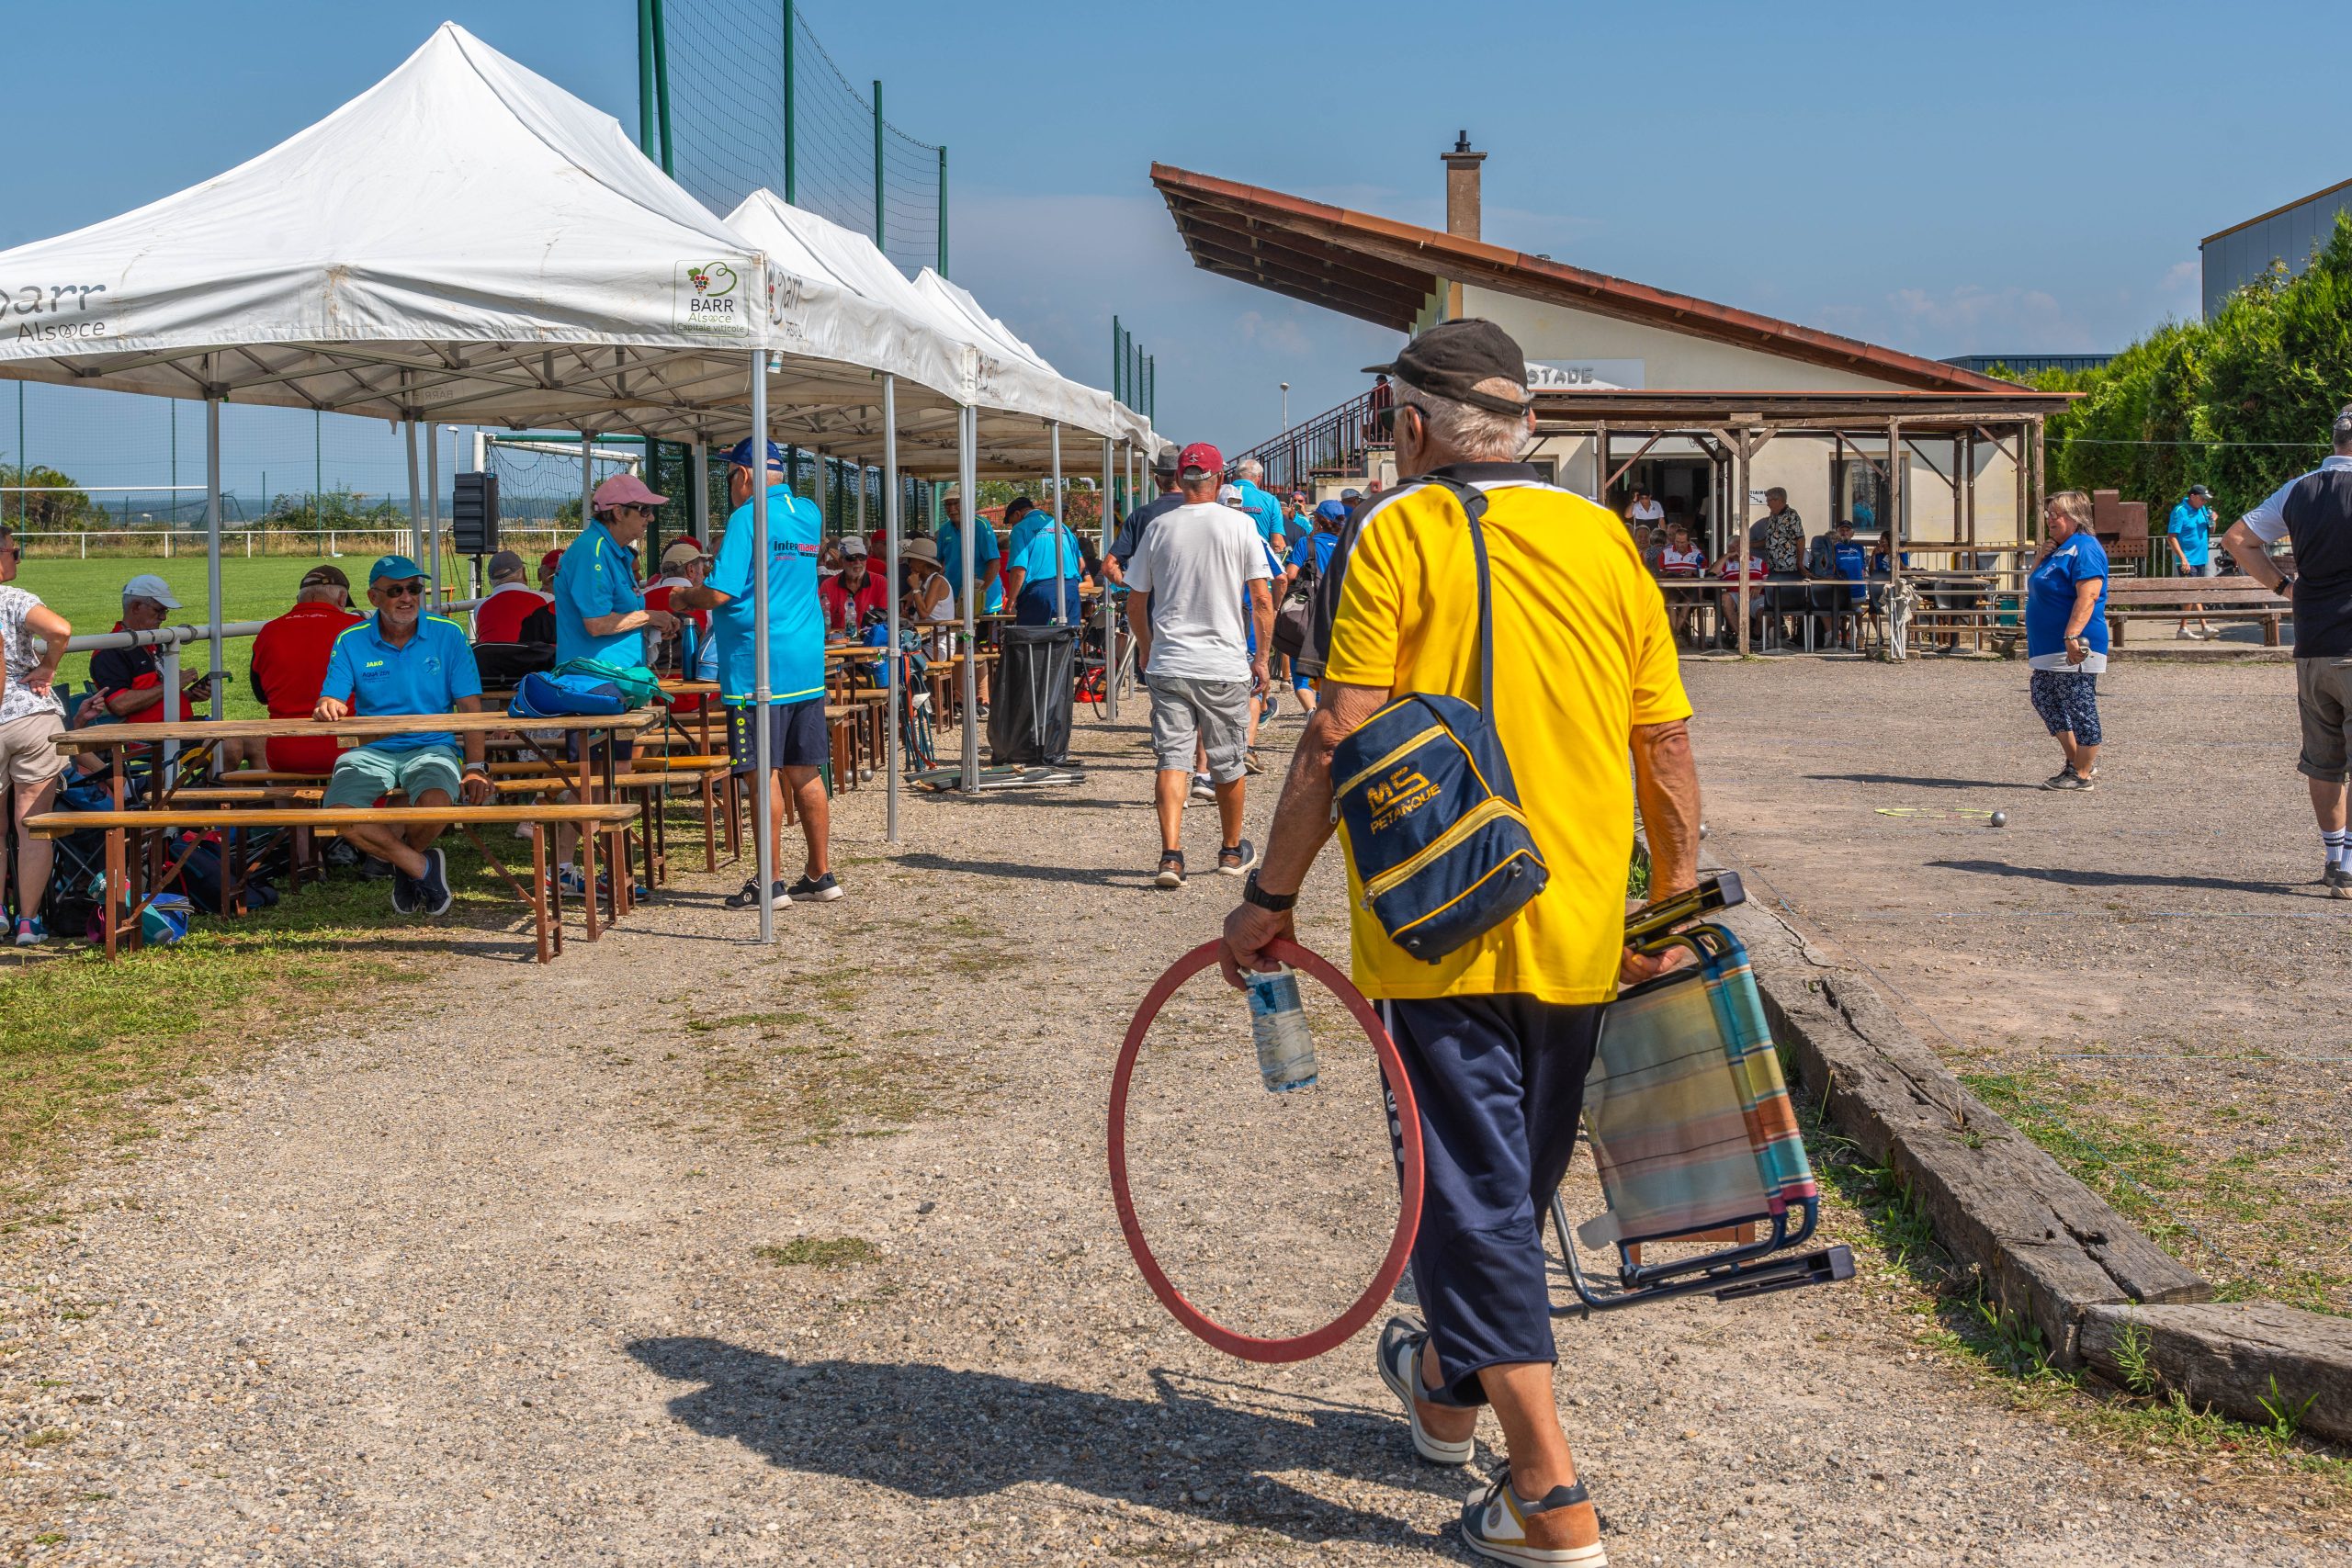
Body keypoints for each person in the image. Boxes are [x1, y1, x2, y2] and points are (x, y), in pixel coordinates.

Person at [1217, 319, 1699, 1568]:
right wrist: (1672, 899)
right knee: (1505, 1187)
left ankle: (1550, 1495)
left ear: (1414, 424)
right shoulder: (1606, 534)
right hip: (1583, 914)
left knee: (1473, 1197)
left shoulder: (1401, 528)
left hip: (1439, 925)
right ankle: (1442, 1388)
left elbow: (1336, 735)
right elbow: (1664, 741)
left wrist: (1271, 896)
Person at [668, 438, 837, 909]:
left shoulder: (746, 518)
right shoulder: (807, 512)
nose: (731, 487)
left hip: (755, 665)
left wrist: (685, 599)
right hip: (804, 661)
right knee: (806, 770)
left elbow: (720, 593)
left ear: (743, 475)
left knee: (762, 774)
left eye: (729, 477)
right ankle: (820, 874)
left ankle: (771, 881)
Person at [1125, 442, 1272, 887]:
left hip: (1171, 659)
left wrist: (1147, 647)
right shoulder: (1241, 526)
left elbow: (1136, 601)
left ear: (1179, 479)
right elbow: (1262, 599)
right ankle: (1230, 850)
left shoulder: (1158, 528)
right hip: (1222, 662)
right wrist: (1262, 658)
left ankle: (1171, 856)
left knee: (1172, 758)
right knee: (1228, 761)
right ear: (1219, 479)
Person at [314, 555, 493, 916]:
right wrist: (327, 704)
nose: (407, 597)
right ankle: (419, 867)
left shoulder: (448, 633)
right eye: (396, 590)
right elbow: (331, 695)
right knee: (339, 813)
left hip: (432, 746)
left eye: (414, 589)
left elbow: (470, 707)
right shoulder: (350, 640)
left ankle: (403, 865)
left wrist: (475, 765)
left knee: (437, 804)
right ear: (373, 597)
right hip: (371, 750)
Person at [2224, 406, 2352, 895]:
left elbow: (2239, 540)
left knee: (2324, 759)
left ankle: (2335, 857)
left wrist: (2284, 587)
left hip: (2314, 642)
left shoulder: (2300, 488)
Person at [0, 524, 71, 945]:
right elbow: (59, 630)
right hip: (31, 716)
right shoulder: (15, 600)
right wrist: (48, 667)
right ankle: (28, 922)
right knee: (31, 828)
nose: (17, 558)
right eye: (14, 550)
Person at [2025, 490, 2110, 792]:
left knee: (2079, 704)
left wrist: (2072, 634)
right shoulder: (2059, 549)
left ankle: (2082, 773)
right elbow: (2035, 586)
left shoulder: (2085, 547)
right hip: (2047, 647)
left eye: (2057, 513)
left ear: (2076, 518)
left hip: (2074, 643)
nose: (2050, 518)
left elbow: (2088, 596)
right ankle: (2077, 762)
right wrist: (2040, 558)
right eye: (2048, 513)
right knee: (2043, 695)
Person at [552, 474, 678, 670]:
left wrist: (650, 626)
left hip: (613, 681)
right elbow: (597, 624)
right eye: (644, 510)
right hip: (596, 684)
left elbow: (618, 617)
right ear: (618, 512)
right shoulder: (593, 551)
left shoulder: (611, 551)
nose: (651, 518)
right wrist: (650, 617)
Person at [249, 565, 365, 774]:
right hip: (346, 747)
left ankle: (285, 807)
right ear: (342, 598)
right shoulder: (357, 628)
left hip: (285, 751)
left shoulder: (269, 631)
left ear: (298, 599)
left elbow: (261, 695)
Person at [1282, 500, 1348, 716]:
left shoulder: (1306, 544)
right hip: (1340, 615)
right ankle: (1325, 713)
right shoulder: (1348, 546)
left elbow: (1290, 575)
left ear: (1318, 522)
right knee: (1329, 670)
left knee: (1301, 675)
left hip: (1310, 614)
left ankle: (1312, 712)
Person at [934, 493, 1000, 712]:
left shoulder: (981, 525)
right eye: (948, 504)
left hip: (981, 601)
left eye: (955, 503)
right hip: (954, 599)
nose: (951, 508)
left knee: (970, 643)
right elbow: (940, 563)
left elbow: (994, 562)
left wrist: (981, 592)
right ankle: (962, 696)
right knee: (960, 644)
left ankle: (981, 697)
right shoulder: (945, 530)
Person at [644, 537, 716, 709]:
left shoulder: (642, 598)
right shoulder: (707, 604)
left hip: (651, 695)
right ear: (691, 570)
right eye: (701, 569)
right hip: (694, 696)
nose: (704, 574)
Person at [1107, 450, 1184, 589]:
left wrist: (1132, 584)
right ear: (1184, 479)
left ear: (1157, 482)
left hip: (1150, 605)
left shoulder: (1140, 515)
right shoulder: (1202, 512)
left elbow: (1108, 566)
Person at [1002, 508, 1086, 626]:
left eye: (1012, 522)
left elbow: (1019, 570)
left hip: (1040, 592)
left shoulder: (1020, 529)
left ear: (1018, 513)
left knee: (1034, 640)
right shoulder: (1063, 528)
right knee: (1069, 638)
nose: (1012, 526)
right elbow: (1081, 564)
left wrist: (1011, 601)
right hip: (1070, 589)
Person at [2168, 482, 2220, 639]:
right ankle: (2193, 627)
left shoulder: (2203, 510)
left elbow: (2211, 529)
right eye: (2202, 499)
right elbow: (2171, 537)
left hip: (2201, 558)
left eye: (2206, 500)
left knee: (2195, 593)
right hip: (2187, 560)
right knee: (2193, 592)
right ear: (2192, 496)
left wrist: (2214, 520)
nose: (2204, 502)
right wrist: (2183, 558)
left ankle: (2192, 628)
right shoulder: (2179, 511)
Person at [818, 536, 890, 638]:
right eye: (851, 558)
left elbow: (885, 620)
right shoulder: (828, 585)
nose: (858, 562)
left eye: (862, 557)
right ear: (841, 560)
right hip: (839, 645)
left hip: (871, 643)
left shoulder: (880, 582)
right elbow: (822, 623)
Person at [471, 550, 548, 644]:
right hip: (536, 657)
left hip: (493, 658)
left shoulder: (479, 609)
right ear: (524, 573)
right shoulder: (547, 600)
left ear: (490, 582)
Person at [899, 536, 956, 657]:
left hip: (937, 646)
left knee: (896, 662)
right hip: (922, 641)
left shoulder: (937, 581)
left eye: (911, 559)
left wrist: (915, 588)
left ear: (922, 562)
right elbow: (906, 601)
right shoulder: (923, 582)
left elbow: (924, 613)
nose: (909, 564)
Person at [1233, 457, 1287, 545]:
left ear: (1235, 476)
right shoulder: (1270, 500)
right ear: (1259, 477)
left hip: (1222, 556)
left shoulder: (1219, 496)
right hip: (1258, 555)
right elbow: (1277, 543)